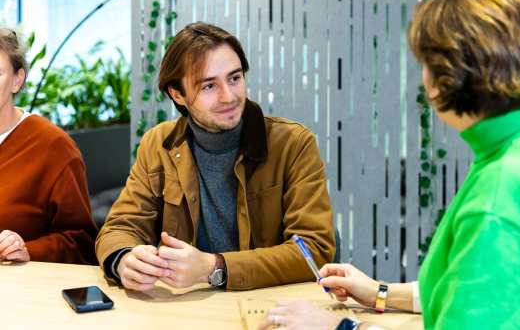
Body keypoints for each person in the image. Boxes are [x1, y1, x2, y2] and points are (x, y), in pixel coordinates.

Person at [260, 0, 520, 329]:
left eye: (425, 64)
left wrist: (339, 327)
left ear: (450, 74)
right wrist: (380, 293)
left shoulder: (501, 198)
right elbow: (474, 287)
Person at [95, 22, 335, 291]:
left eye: (235, 78)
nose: (229, 96)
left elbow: (314, 248)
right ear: (178, 94)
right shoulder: (158, 144)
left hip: (268, 307)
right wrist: (124, 259)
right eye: (209, 86)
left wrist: (214, 267)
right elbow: (120, 227)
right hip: (188, 307)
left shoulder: (293, 143)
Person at [0, 28, 98, 264]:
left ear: (17, 80)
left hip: (23, 291)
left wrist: (26, 251)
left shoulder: (54, 146)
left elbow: (81, 242)